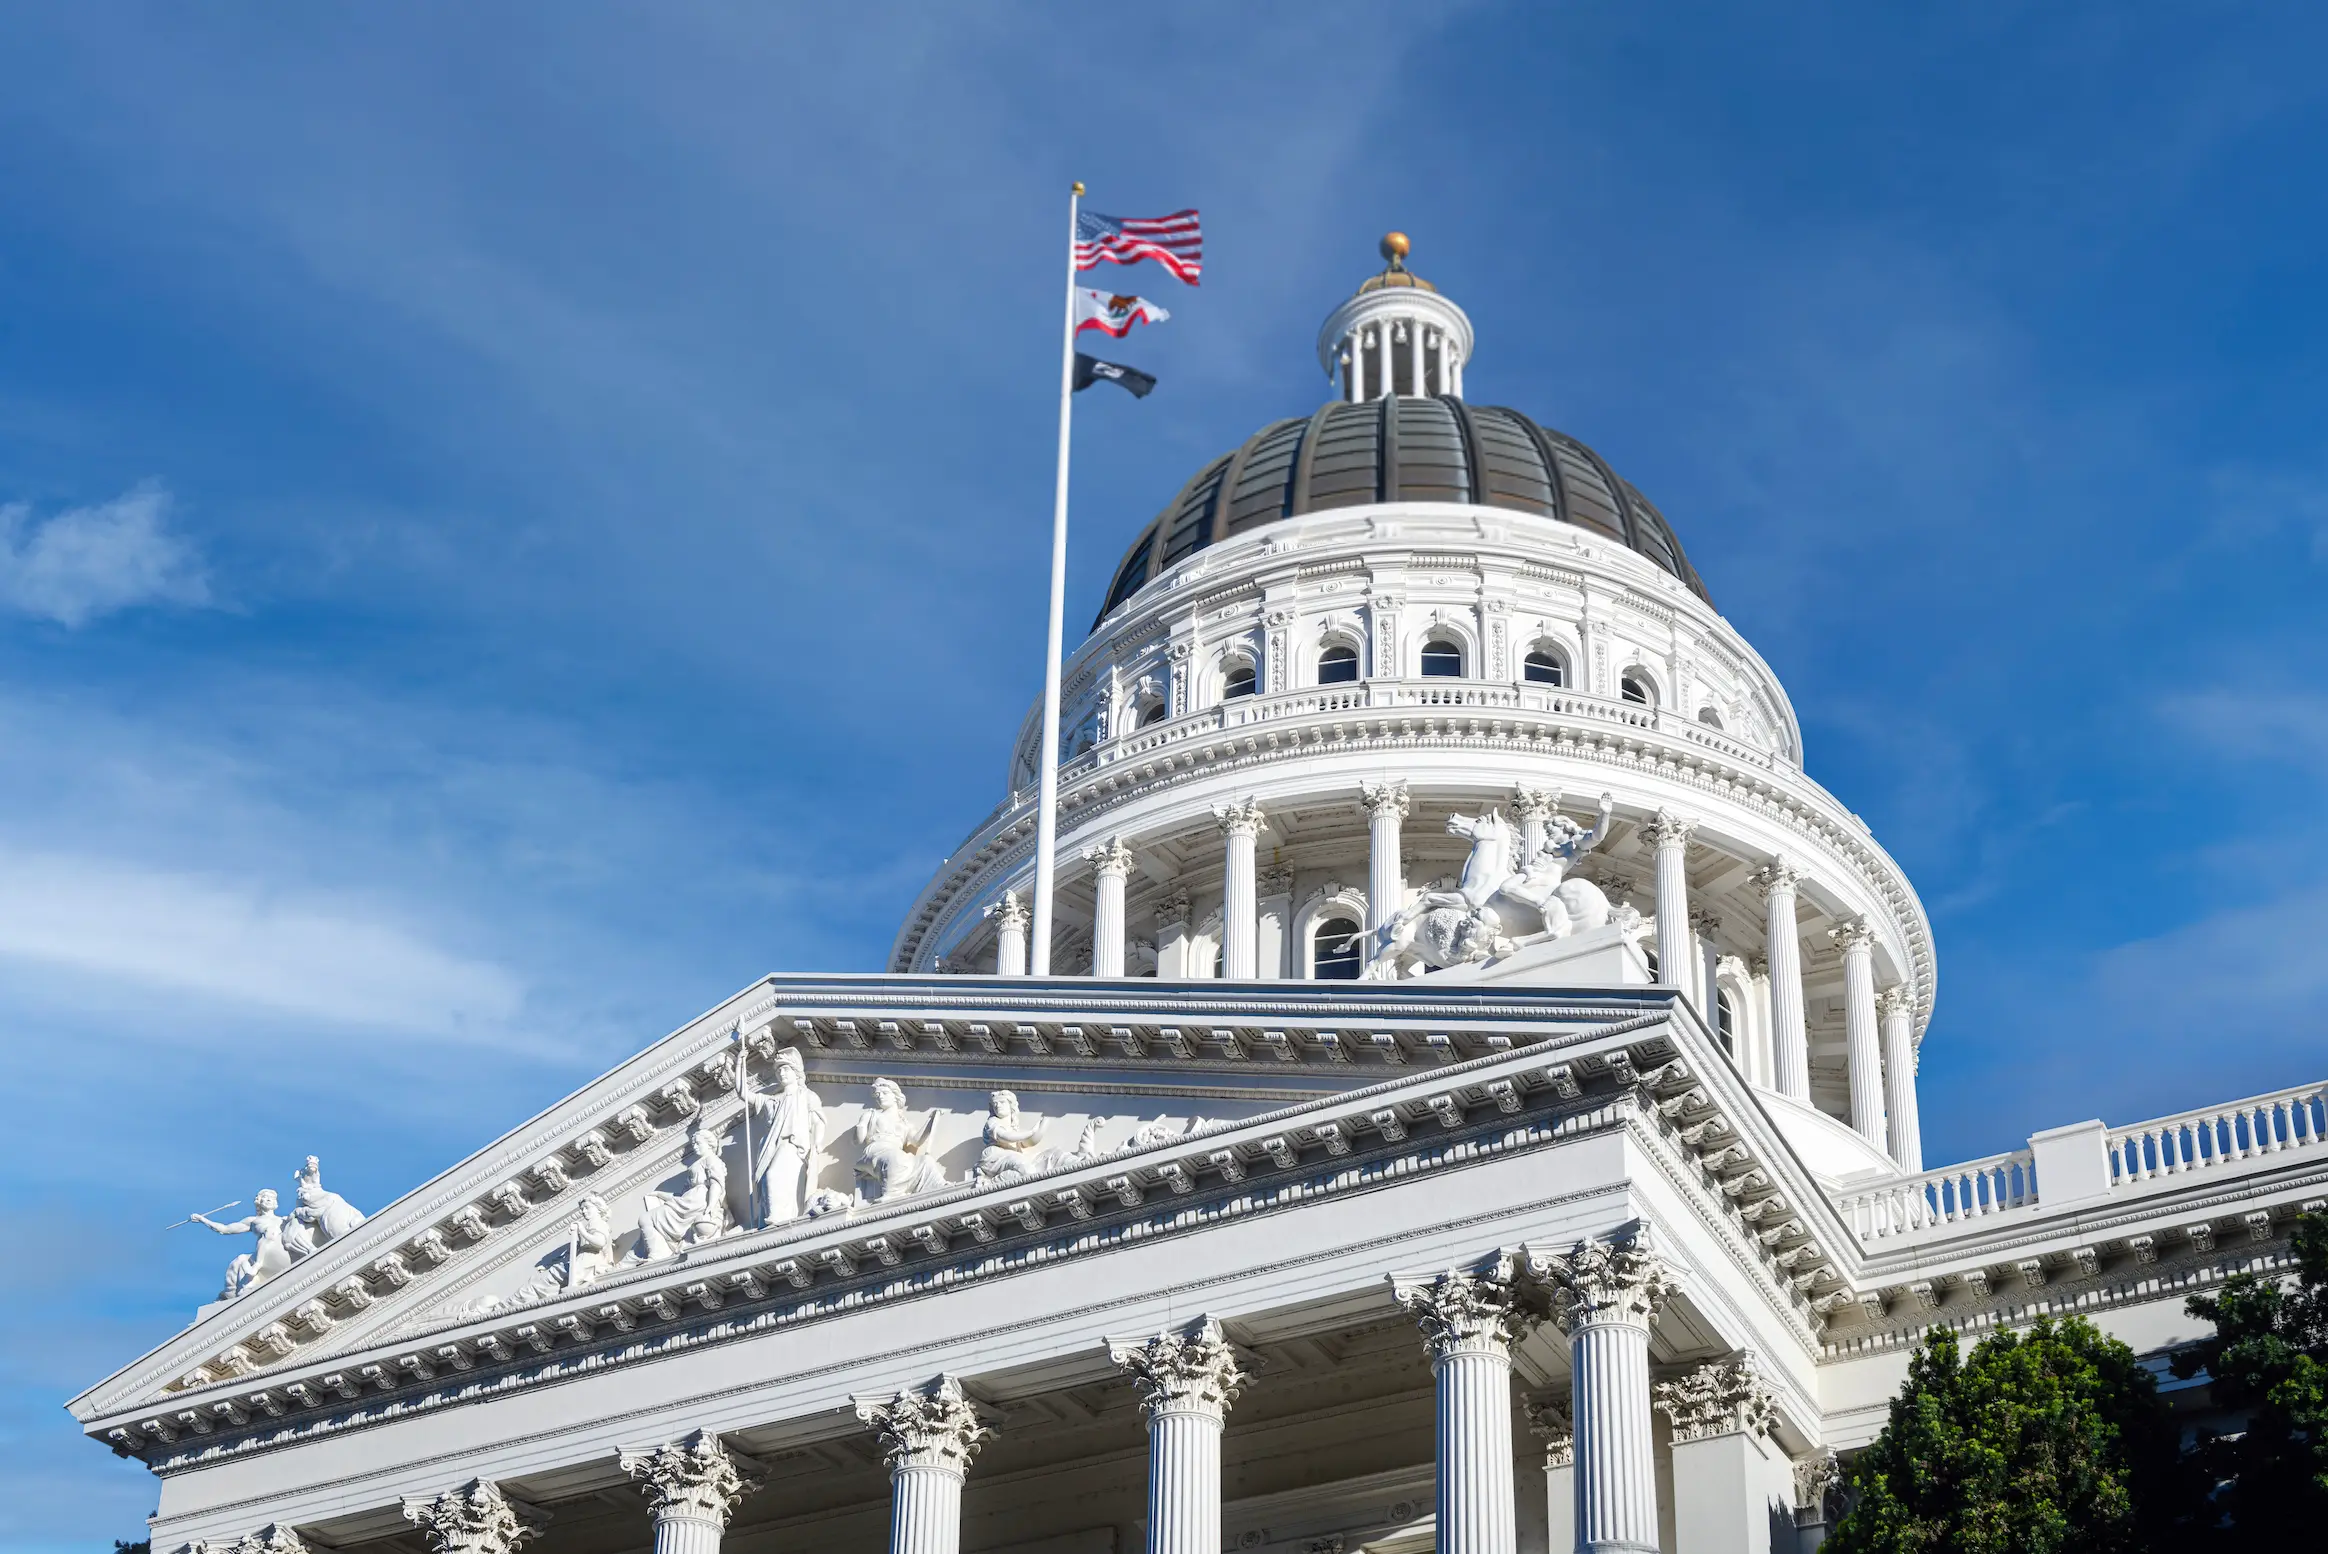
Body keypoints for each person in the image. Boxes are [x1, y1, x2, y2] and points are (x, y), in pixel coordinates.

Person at [740, 1047, 825, 1225]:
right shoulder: (773, 1100)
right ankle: (775, 1216)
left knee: (773, 1176)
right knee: (766, 1182)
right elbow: (743, 1094)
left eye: (785, 1069)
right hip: (771, 1148)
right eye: (778, 1070)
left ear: (796, 1072)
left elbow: (818, 1121)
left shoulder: (807, 1096)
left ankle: (777, 1216)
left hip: (793, 1146)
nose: (781, 1073)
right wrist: (740, 1065)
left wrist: (817, 1143)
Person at [636, 1121, 728, 1260]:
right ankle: (657, 1253)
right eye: (694, 1144)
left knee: (646, 1218)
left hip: (698, 1202)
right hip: (686, 1202)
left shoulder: (711, 1159)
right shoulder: (696, 1165)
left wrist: (711, 1206)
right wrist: (659, 1194)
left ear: (710, 1144)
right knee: (646, 1218)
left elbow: (717, 1184)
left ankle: (656, 1254)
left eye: (699, 1143)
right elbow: (681, 1195)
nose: (695, 1147)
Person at [854, 1078, 948, 1203]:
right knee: (895, 1157)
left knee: (926, 1160)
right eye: (877, 1094)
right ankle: (891, 1193)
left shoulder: (905, 1123)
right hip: (875, 1151)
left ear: (895, 1096)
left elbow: (916, 1141)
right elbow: (858, 1140)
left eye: (885, 1093)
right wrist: (861, 1125)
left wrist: (930, 1121)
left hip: (894, 1153)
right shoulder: (871, 1115)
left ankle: (939, 1187)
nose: (880, 1097)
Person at [192, 1189, 296, 1300]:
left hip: (283, 1249)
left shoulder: (283, 1219)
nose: (269, 1199)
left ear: (276, 1203)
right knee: (268, 1231)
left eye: (272, 1198)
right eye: (265, 1197)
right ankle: (257, 1264)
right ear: (259, 1201)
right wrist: (202, 1219)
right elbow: (225, 1229)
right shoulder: (253, 1221)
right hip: (264, 1252)